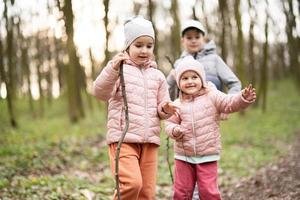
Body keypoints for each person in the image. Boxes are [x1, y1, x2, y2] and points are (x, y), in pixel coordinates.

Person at [92, 16, 177, 200]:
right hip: (124, 139)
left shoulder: (158, 76)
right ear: (128, 46)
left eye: (149, 45)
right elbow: (99, 92)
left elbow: (161, 107)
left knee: (146, 192)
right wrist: (112, 69)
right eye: (138, 45)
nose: (144, 50)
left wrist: (166, 109)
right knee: (131, 184)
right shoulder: (118, 69)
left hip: (150, 141)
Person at [165, 57, 256, 200]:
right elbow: (169, 124)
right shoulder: (177, 103)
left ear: (202, 79)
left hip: (207, 154)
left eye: (194, 77)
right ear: (179, 83)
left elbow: (229, 103)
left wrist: (242, 98)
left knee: (208, 192)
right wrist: (174, 130)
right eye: (185, 78)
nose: (190, 81)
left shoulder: (212, 96)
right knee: (182, 192)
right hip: (183, 156)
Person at [167, 19, 241, 100]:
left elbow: (235, 84)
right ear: (182, 41)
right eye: (189, 38)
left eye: (197, 37)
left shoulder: (214, 59)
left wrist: (227, 104)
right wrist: (171, 80)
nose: (193, 41)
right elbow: (169, 95)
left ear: (204, 39)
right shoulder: (178, 64)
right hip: (186, 111)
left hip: (213, 110)